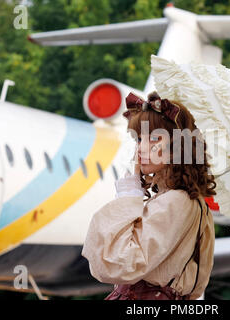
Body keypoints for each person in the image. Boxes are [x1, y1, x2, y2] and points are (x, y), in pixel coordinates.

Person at [81, 91, 217, 300]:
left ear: (178, 146)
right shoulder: (176, 199)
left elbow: (118, 265)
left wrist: (129, 194)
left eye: (154, 139)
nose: (142, 149)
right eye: (139, 139)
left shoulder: (177, 201)